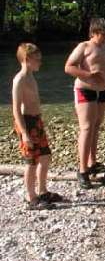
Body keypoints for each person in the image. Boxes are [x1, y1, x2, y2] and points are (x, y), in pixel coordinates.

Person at [12, 43, 63, 209]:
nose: (40, 62)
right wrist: (25, 133)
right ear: (27, 60)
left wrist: (39, 120)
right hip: (27, 123)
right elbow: (16, 109)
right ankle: (30, 197)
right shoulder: (19, 79)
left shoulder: (31, 76)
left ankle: (42, 191)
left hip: (36, 121)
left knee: (45, 156)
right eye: (37, 59)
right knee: (31, 161)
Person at [65, 18, 105, 189]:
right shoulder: (84, 46)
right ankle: (82, 170)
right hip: (86, 90)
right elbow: (68, 67)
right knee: (86, 127)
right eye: (102, 35)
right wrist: (90, 75)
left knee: (96, 126)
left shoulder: (104, 47)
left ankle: (92, 163)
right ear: (93, 33)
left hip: (103, 91)